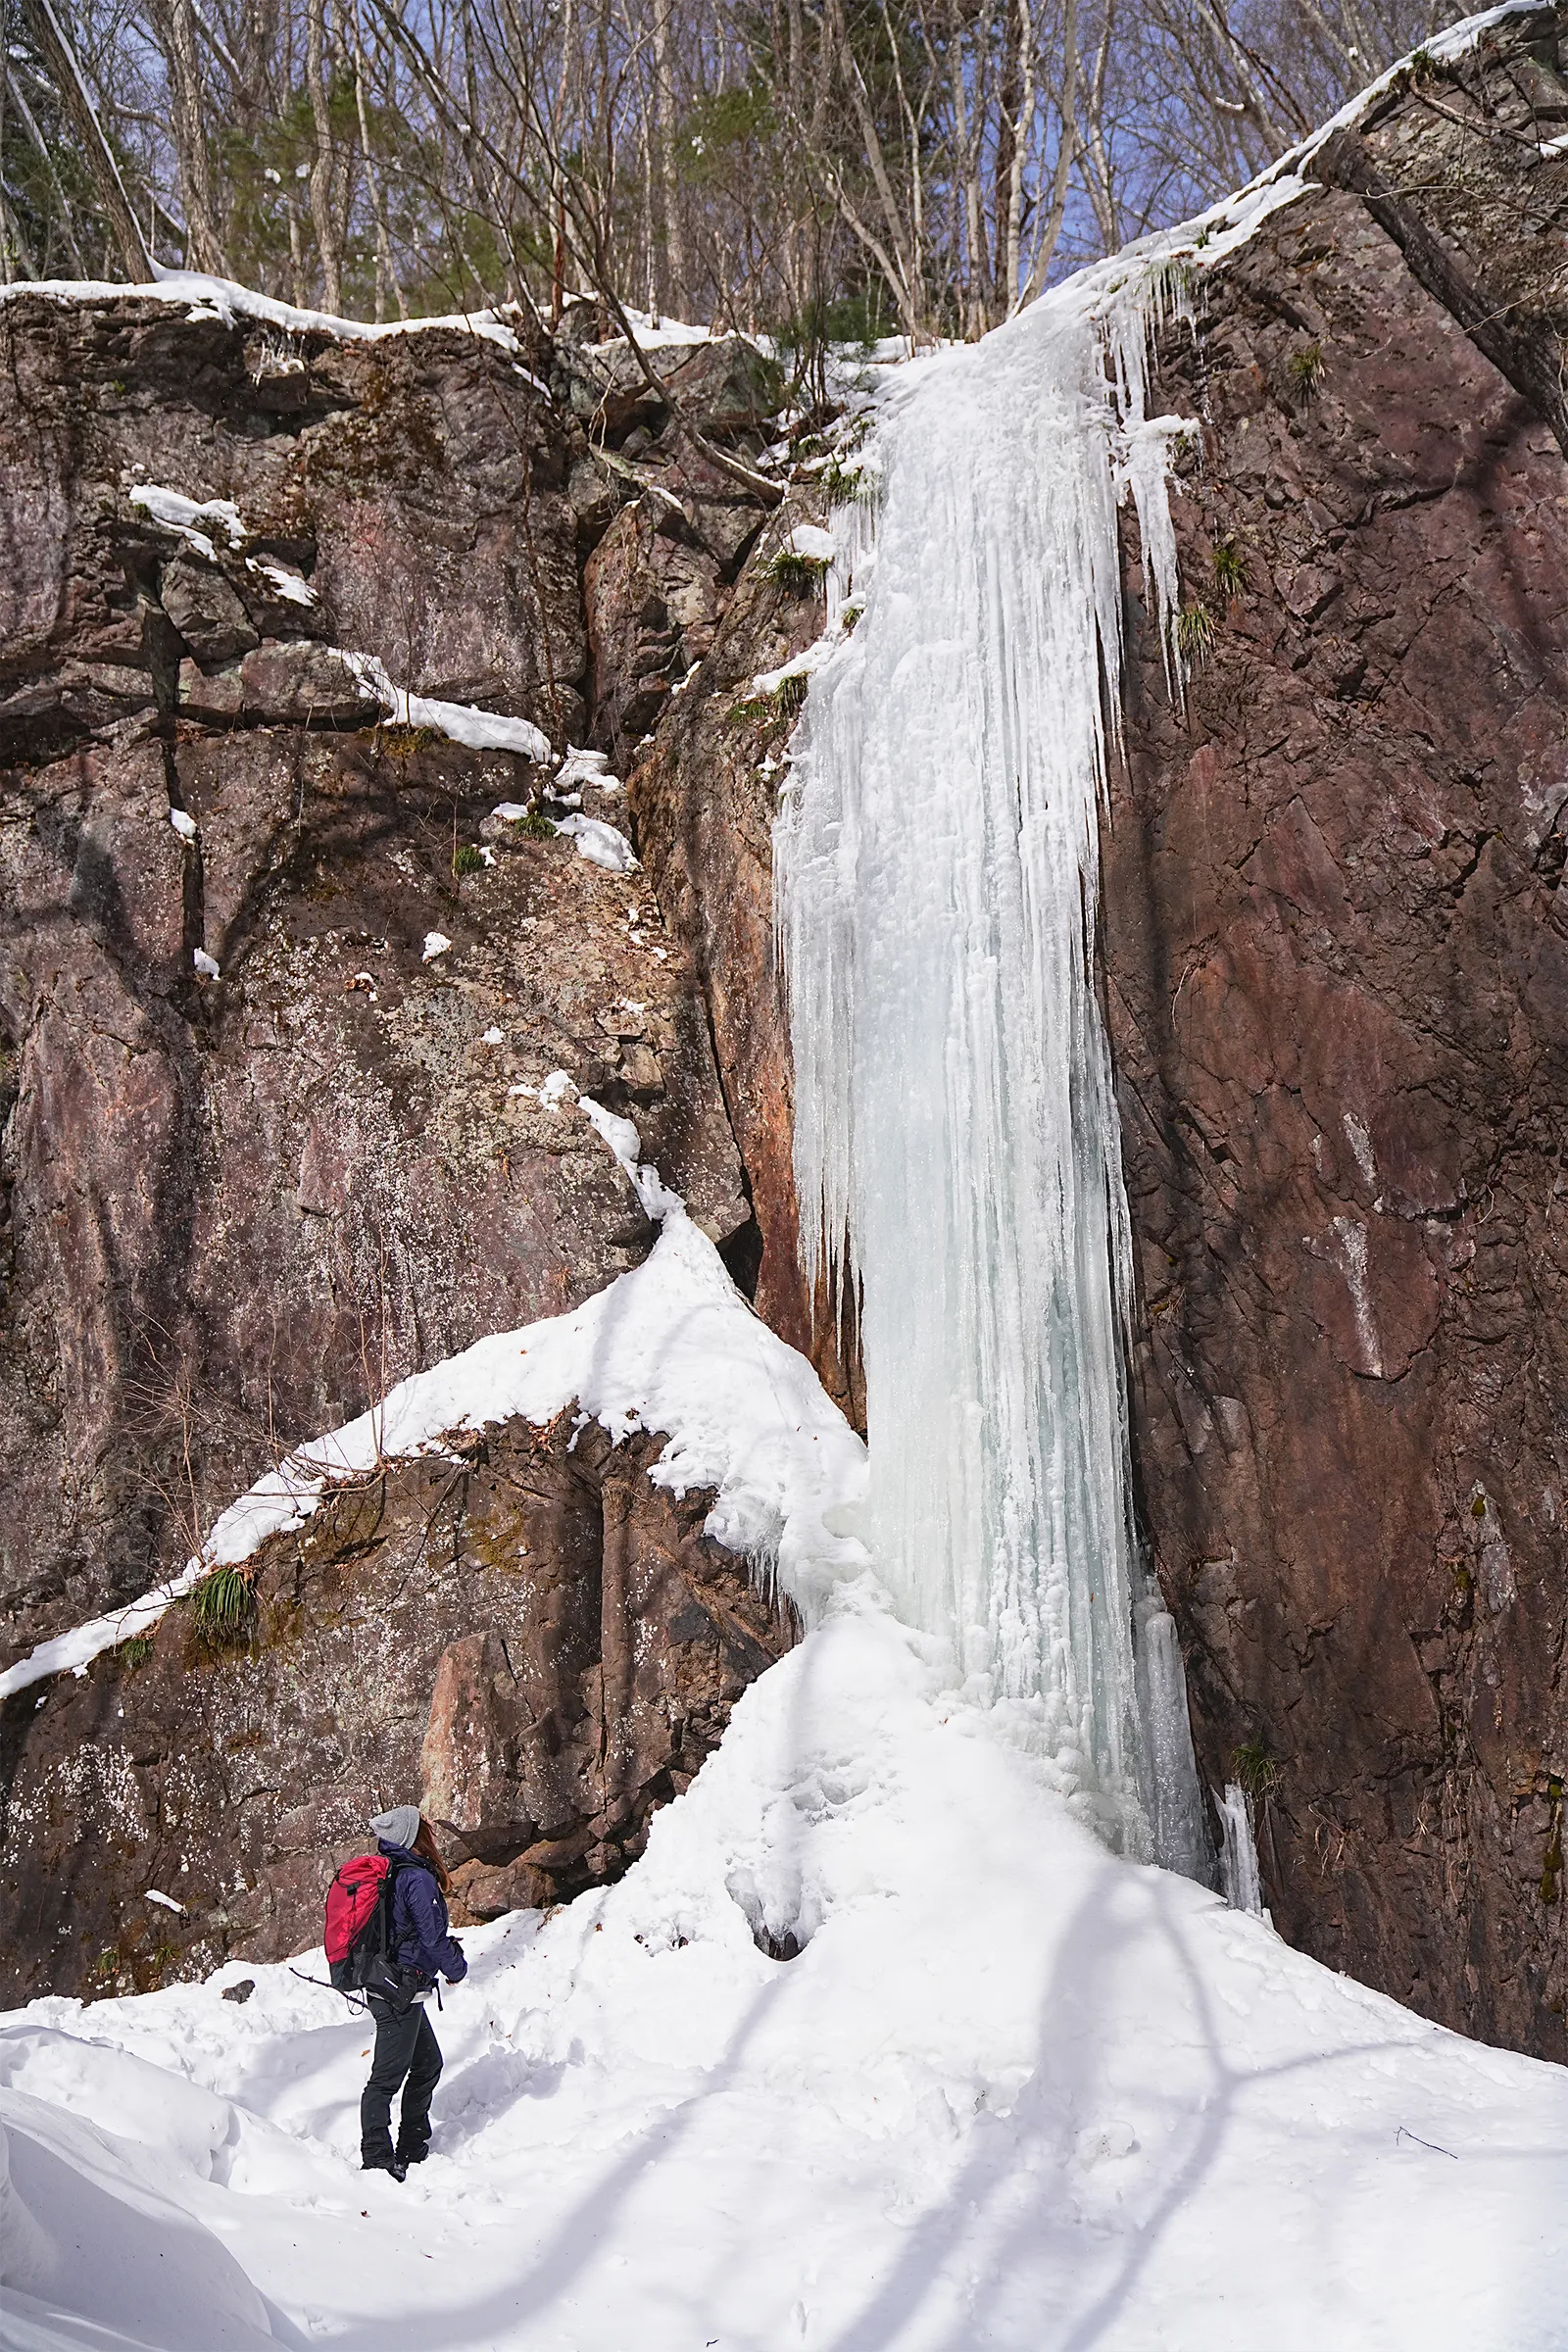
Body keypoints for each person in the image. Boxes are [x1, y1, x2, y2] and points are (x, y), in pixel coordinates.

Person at [360, 1804, 467, 2180]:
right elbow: (432, 1938)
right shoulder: (415, 1878)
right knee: (385, 2079)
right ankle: (377, 2159)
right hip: (397, 1991)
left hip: (396, 1986)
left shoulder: (393, 1871)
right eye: (424, 1825)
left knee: (427, 2064)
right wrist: (457, 1968)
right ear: (414, 1836)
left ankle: (412, 2146)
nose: (431, 1828)